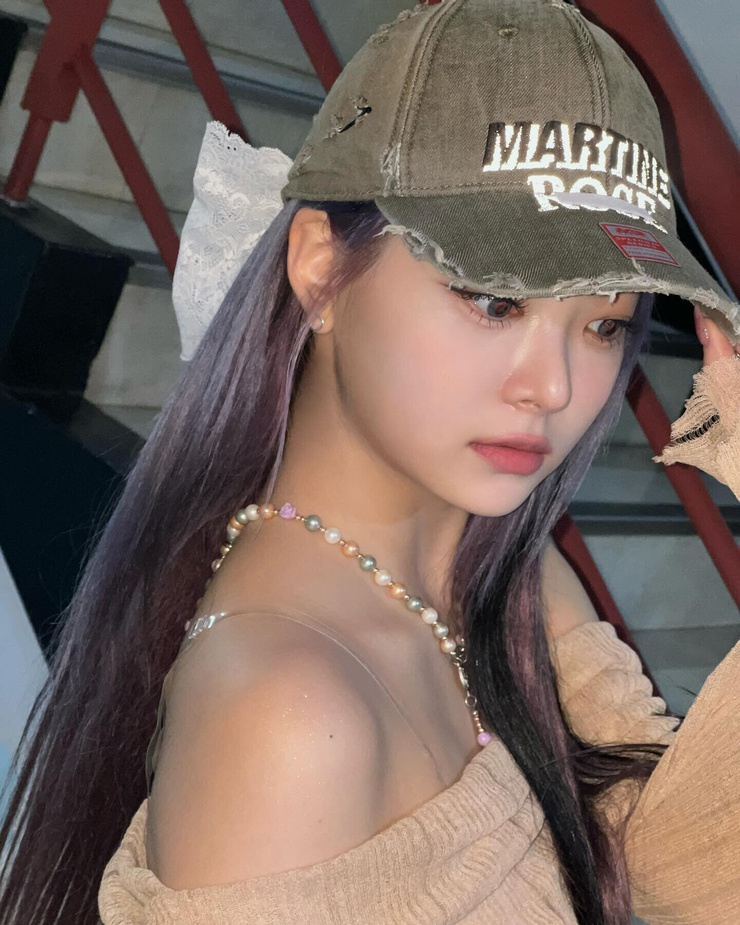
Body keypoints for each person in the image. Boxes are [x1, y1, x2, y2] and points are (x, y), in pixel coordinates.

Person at [1, 2, 738, 924]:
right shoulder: (289, 716)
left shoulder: (496, 563)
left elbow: (679, 863)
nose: (553, 387)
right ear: (321, 269)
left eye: (603, 325)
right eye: (494, 300)